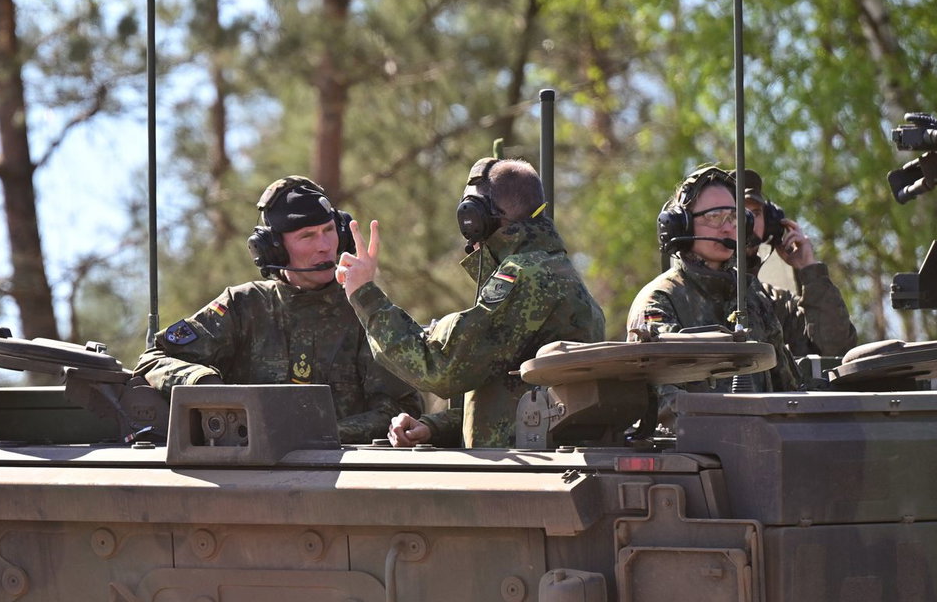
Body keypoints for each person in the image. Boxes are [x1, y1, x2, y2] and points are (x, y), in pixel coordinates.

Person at [336, 156, 606, 448]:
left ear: (477, 217)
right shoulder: (553, 268)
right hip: (537, 464)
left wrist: (364, 294)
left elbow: (441, 367)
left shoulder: (526, 277)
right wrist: (433, 427)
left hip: (523, 476)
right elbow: (509, 395)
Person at [134, 176, 420, 443]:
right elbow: (153, 360)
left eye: (329, 231)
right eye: (307, 236)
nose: (324, 246)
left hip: (344, 473)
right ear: (275, 249)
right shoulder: (242, 306)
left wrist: (310, 436)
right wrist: (203, 383)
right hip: (252, 478)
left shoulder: (365, 310)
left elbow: (399, 410)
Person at [627, 165, 801, 393]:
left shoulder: (751, 294)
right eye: (714, 217)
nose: (728, 228)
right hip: (692, 427)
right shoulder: (660, 300)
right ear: (683, 224)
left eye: (733, 217)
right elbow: (663, 401)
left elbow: (788, 389)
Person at [741, 170, 858, 360]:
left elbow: (837, 351)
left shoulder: (775, 304)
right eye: (739, 214)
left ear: (770, 225)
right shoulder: (684, 292)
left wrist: (809, 269)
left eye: (755, 213)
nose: (749, 222)